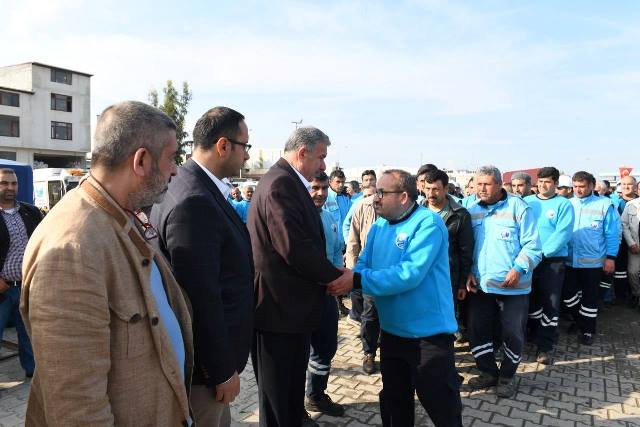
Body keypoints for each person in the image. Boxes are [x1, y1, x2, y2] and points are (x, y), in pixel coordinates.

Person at [21, 101, 193, 426]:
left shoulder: (120, 217)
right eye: (171, 158)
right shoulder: (72, 248)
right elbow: (77, 409)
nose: (175, 170)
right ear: (141, 160)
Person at [332, 169, 462, 427]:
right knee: (394, 401)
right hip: (392, 333)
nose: (375, 198)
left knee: (440, 404)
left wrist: (356, 280)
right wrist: (347, 276)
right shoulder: (379, 226)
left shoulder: (428, 224)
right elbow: (364, 263)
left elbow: (408, 274)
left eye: (381, 192)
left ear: (404, 196)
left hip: (428, 337)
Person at [151, 106, 254, 427]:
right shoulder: (194, 200)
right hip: (204, 374)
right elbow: (198, 297)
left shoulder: (190, 184)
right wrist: (220, 370)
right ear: (224, 146)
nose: (247, 157)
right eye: (245, 147)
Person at [247, 126, 354, 427]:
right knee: (278, 398)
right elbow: (294, 248)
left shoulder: (287, 182)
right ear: (302, 152)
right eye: (321, 157)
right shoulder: (280, 185)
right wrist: (338, 277)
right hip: (278, 312)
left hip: (290, 311)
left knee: (290, 393)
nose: (323, 166)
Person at [466, 165, 541, 398]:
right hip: (481, 285)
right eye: (479, 184)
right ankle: (488, 372)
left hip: (514, 287)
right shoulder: (470, 209)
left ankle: (507, 377)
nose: (482, 188)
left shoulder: (519, 207)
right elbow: (466, 246)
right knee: (477, 329)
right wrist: (468, 272)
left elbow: (533, 246)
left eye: (487, 184)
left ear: (499, 184)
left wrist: (518, 268)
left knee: (513, 332)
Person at [304, 171, 345, 418]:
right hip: (303, 296)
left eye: (323, 188)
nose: (319, 193)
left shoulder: (329, 217)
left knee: (326, 346)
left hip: (328, 294)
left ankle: (316, 395)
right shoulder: (298, 218)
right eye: (314, 188)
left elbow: (337, 251)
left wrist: (339, 280)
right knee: (299, 352)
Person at [563, 171, 621, 345]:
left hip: (593, 261)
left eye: (582, 186)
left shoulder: (604, 205)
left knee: (589, 297)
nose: (578, 190)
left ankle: (587, 330)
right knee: (568, 295)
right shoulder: (567, 204)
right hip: (569, 260)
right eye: (575, 187)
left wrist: (610, 257)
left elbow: (612, 233)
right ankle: (580, 321)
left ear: (591, 186)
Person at [524, 167, 574, 364]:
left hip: (551, 261)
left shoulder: (563, 205)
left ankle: (545, 346)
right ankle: (536, 335)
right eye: (540, 181)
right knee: (531, 301)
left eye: (548, 182)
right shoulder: (527, 202)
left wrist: (542, 254)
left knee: (551, 303)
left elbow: (563, 234)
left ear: (555, 183)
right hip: (528, 259)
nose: (543, 185)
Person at [421, 169, 474, 344]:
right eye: (427, 188)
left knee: (445, 322)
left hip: (447, 278)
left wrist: (461, 283)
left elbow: (465, 251)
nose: (430, 194)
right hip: (420, 276)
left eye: (435, 189)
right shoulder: (417, 211)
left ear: (446, 189)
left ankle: (445, 362)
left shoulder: (460, 215)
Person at [0, 168, 40, 378]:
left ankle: (33, 373)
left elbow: (44, 244)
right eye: (4, 183)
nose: (10, 187)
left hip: (27, 286)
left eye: (13, 183)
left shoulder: (31, 212)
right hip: (3, 290)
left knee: (28, 334)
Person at [345, 183, 380, 374]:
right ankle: (369, 353)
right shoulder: (361, 207)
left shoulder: (398, 209)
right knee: (370, 315)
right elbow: (353, 240)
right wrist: (353, 271)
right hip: (368, 272)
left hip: (392, 272)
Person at [342, 170, 377, 324]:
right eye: (366, 179)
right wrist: (350, 256)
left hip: (379, 261)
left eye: (371, 179)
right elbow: (349, 228)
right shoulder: (358, 204)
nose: (369, 181)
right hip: (363, 257)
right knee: (361, 293)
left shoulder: (385, 206)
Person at [610, 175, 638, 304]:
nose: (626, 187)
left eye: (629, 184)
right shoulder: (614, 202)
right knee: (621, 270)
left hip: (636, 243)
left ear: (635, 186)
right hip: (621, 244)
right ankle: (622, 295)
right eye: (624, 184)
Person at [622, 195, 640, 308]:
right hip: (635, 245)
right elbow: (624, 225)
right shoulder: (631, 204)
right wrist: (631, 243)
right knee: (632, 272)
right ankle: (637, 294)